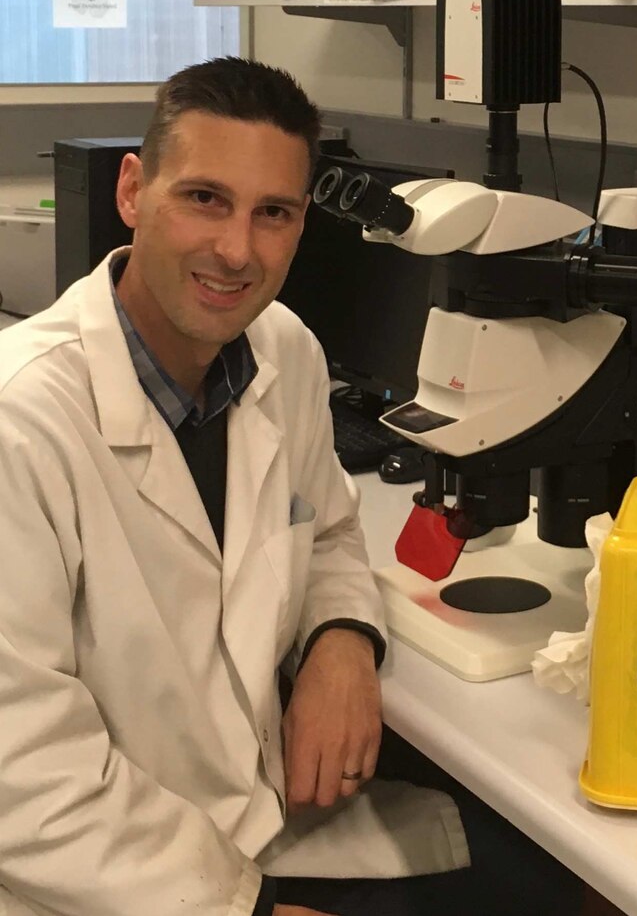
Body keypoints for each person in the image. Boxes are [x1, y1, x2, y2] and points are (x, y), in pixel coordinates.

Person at [0, 57, 586, 916]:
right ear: (132, 190)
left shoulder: (282, 352)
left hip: (257, 814)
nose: (237, 249)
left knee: (542, 879)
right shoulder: (23, 423)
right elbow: (23, 775)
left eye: (272, 212)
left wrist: (343, 639)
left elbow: (329, 533)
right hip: (106, 876)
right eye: (205, 198)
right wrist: (253, 909)